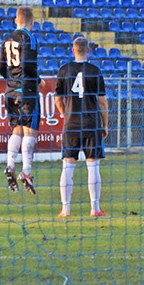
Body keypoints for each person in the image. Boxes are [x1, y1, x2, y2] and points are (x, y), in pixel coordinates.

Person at [54, 36, 109, 218]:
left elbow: (58, 99)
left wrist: (65, 115)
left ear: (72, 50)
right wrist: (105, 124)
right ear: (89, 50)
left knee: (67, 166)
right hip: (91, 124)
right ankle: (95, 208)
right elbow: (102, 102)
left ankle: (65, 209)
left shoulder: (64, 70)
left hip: (71, 124)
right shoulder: (95, 71)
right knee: (93, 167)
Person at [0, 6, 43, 194]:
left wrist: (12, 81)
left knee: (16, 130)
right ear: (32, 22)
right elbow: (29, 64)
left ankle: (10, 165)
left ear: (15, 20)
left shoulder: (6, 40)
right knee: (30, 131)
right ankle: (26, 171)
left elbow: (1, 68)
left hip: (10, 91)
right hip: (27, 90)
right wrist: (37, 81)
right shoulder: (29, 38)